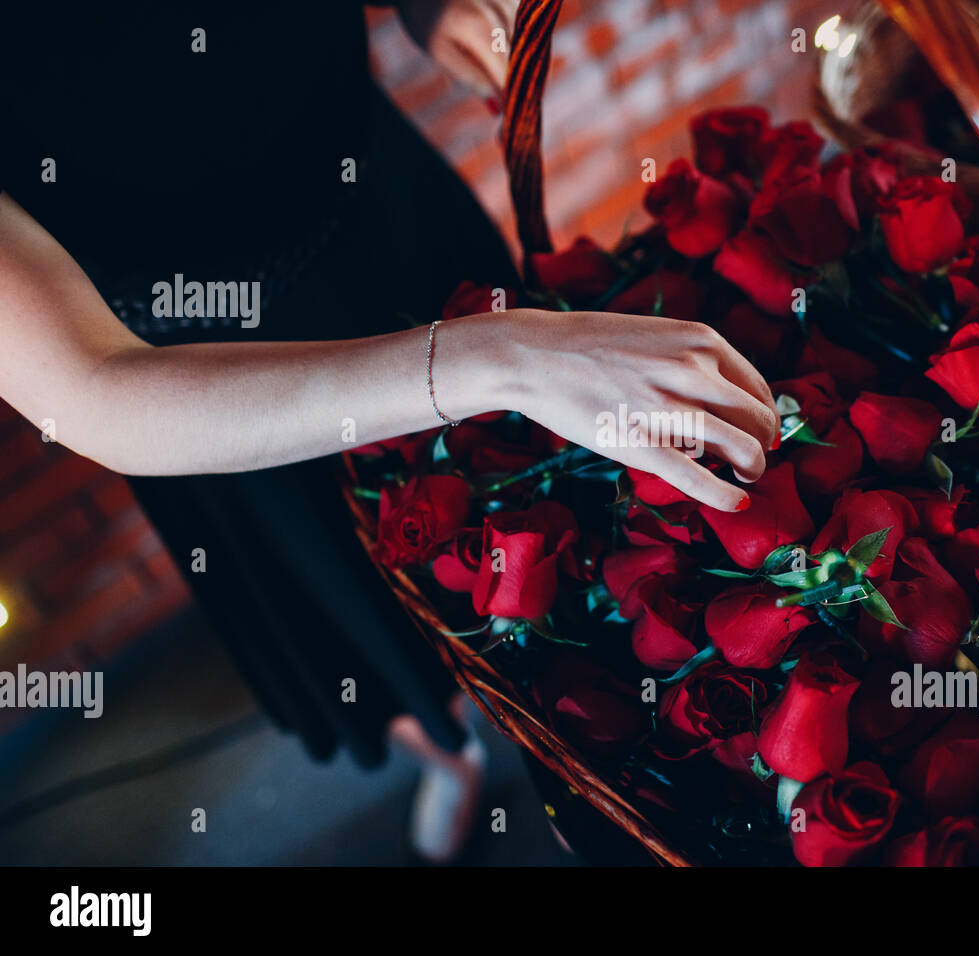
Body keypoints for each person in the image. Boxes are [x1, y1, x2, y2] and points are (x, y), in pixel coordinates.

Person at [0, 0, 777, 862]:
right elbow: (92, 389)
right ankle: (447, 755)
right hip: (211, 383)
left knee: (553, 563)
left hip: (388, 210)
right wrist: (503, 360)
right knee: (358, 622)